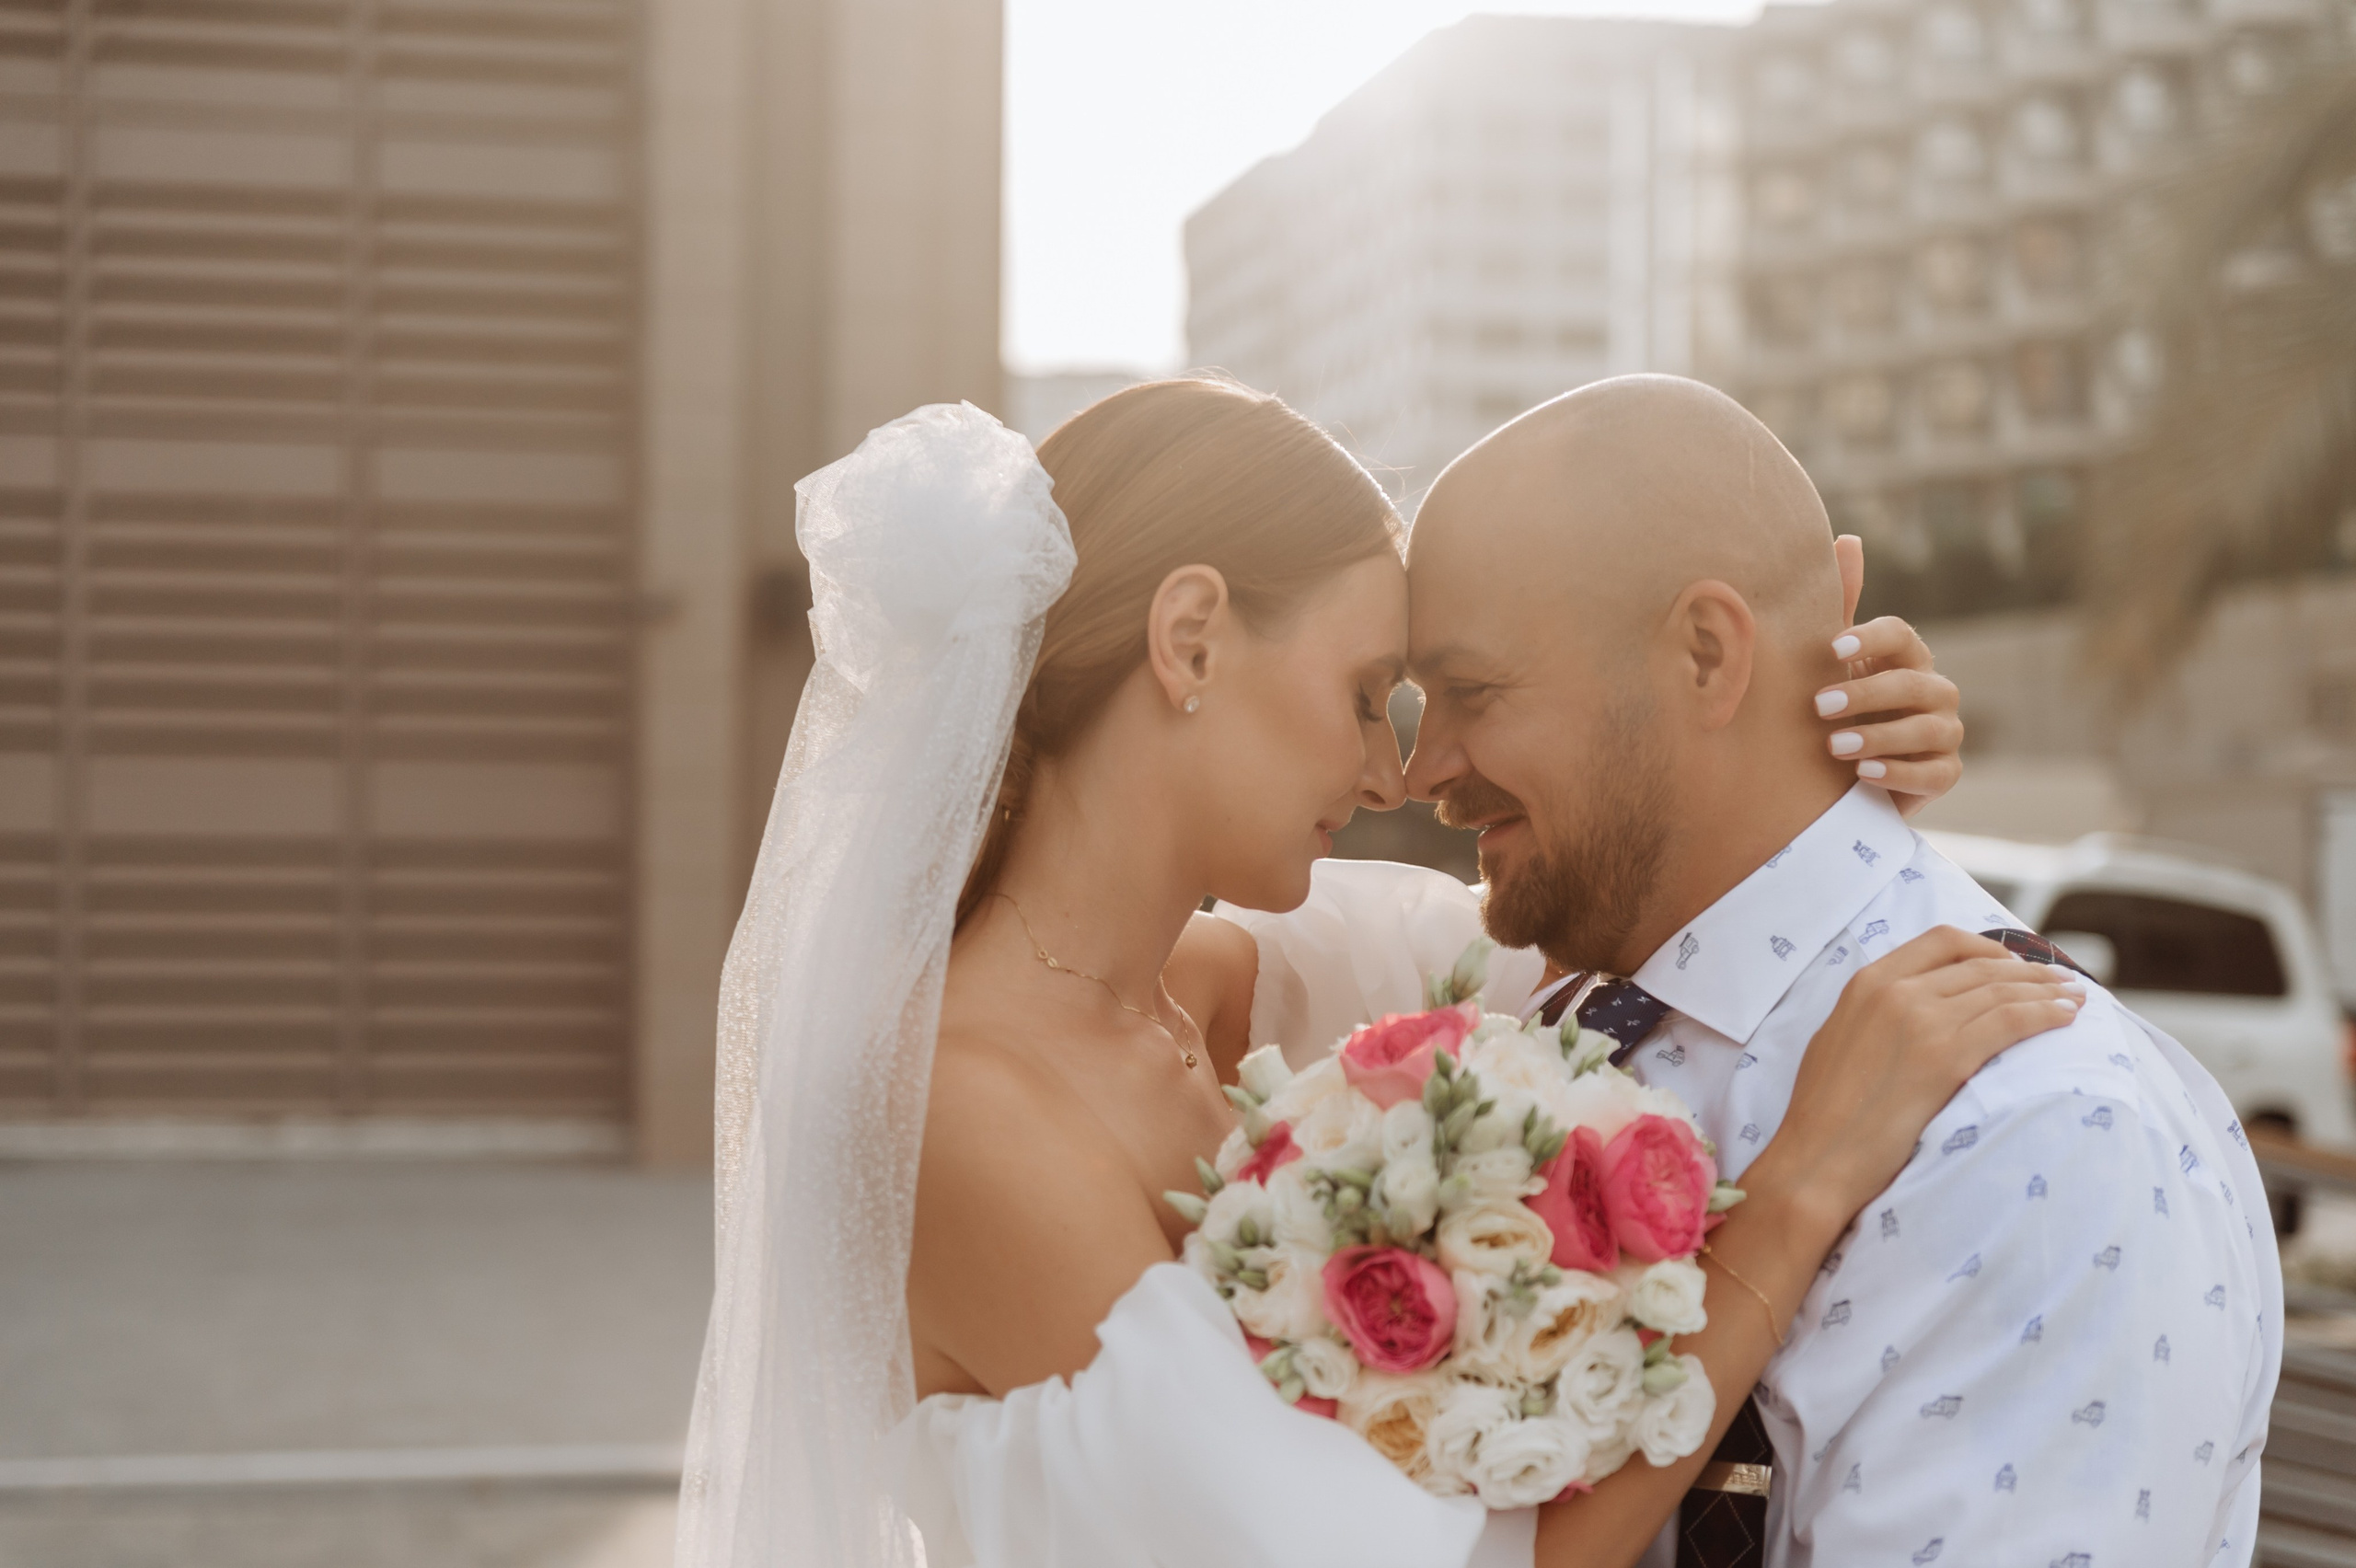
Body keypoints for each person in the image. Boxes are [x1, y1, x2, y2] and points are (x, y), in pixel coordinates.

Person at [672, 382, 2085, 1568]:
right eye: (1367, 698)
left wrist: (1804, 731)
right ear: (1191, 640)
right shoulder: (957, 1107)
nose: (1389, 769)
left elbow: (1608, 909)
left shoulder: (1197, 994)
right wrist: (1800, 1195)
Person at [1206, 375, 2282, 1568]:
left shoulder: (2033, 1134)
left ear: (1708, 653)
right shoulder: (1515, 1003)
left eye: (1471, 691)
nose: (1422, 772)